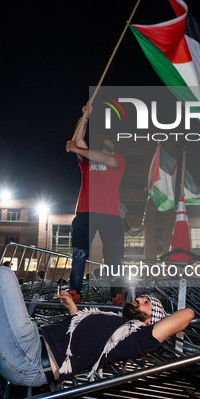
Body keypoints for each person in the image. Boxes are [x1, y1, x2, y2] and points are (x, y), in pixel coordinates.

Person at [0, 266, 194, 399]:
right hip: (25, 347)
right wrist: (73, 307)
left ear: (149, 319)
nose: (138, 299)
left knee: (2, 276)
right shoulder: (115, 327)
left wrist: (159, 318)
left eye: (144, 303)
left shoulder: (137, 338)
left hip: (31, 355)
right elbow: (81, 341)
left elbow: (187, 315)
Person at [65, 101, 126, 303]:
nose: (108, 143)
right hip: (85, 212)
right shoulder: (87, 162)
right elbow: (79, 140)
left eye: (111, 144)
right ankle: (75, 291)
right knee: (79, 254)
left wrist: (76, 148)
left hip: (111, 215)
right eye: (105, 143)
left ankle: (116, 294)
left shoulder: (118, 160)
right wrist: (85, 117)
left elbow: (85, 150)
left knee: (113, 257)